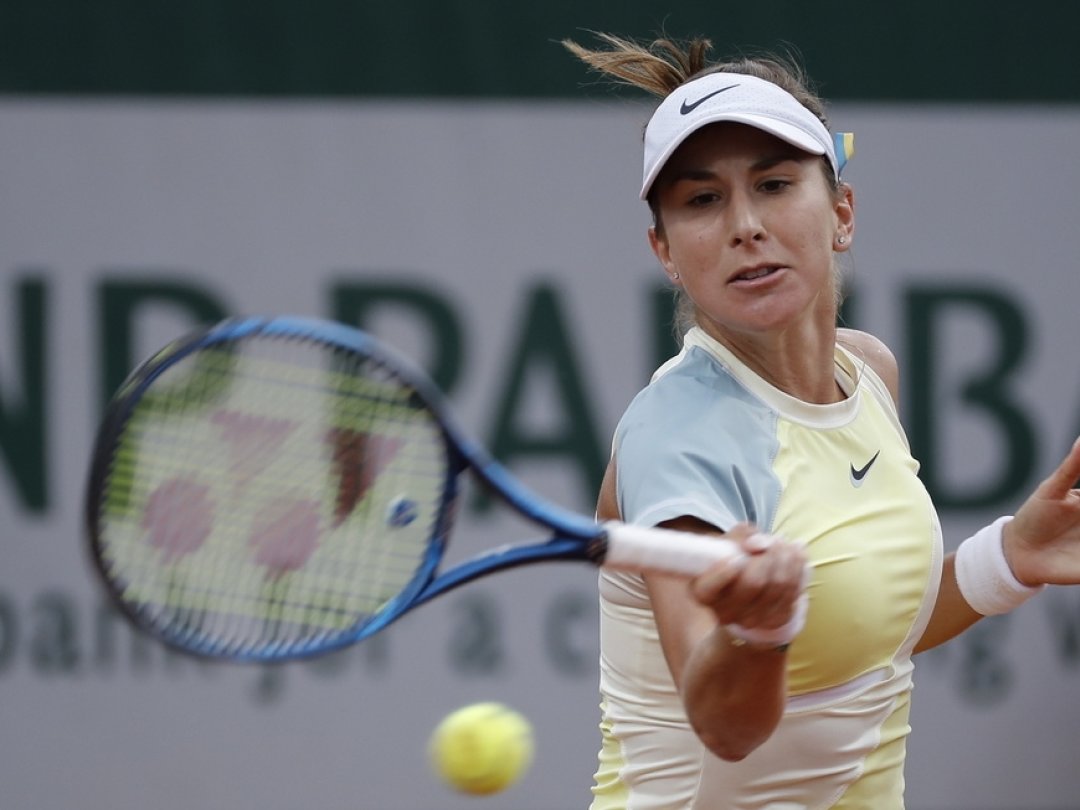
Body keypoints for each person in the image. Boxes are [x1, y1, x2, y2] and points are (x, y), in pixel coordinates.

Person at [562, 32, 1080, 809]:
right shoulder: (677, 443)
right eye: (703, 200)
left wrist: (1008, 558)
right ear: (665, 252)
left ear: (841, 211)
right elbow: (723, 723)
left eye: (773, 185)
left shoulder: (867, 373)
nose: (744, 224)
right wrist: (758, 632)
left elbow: (861, 635)